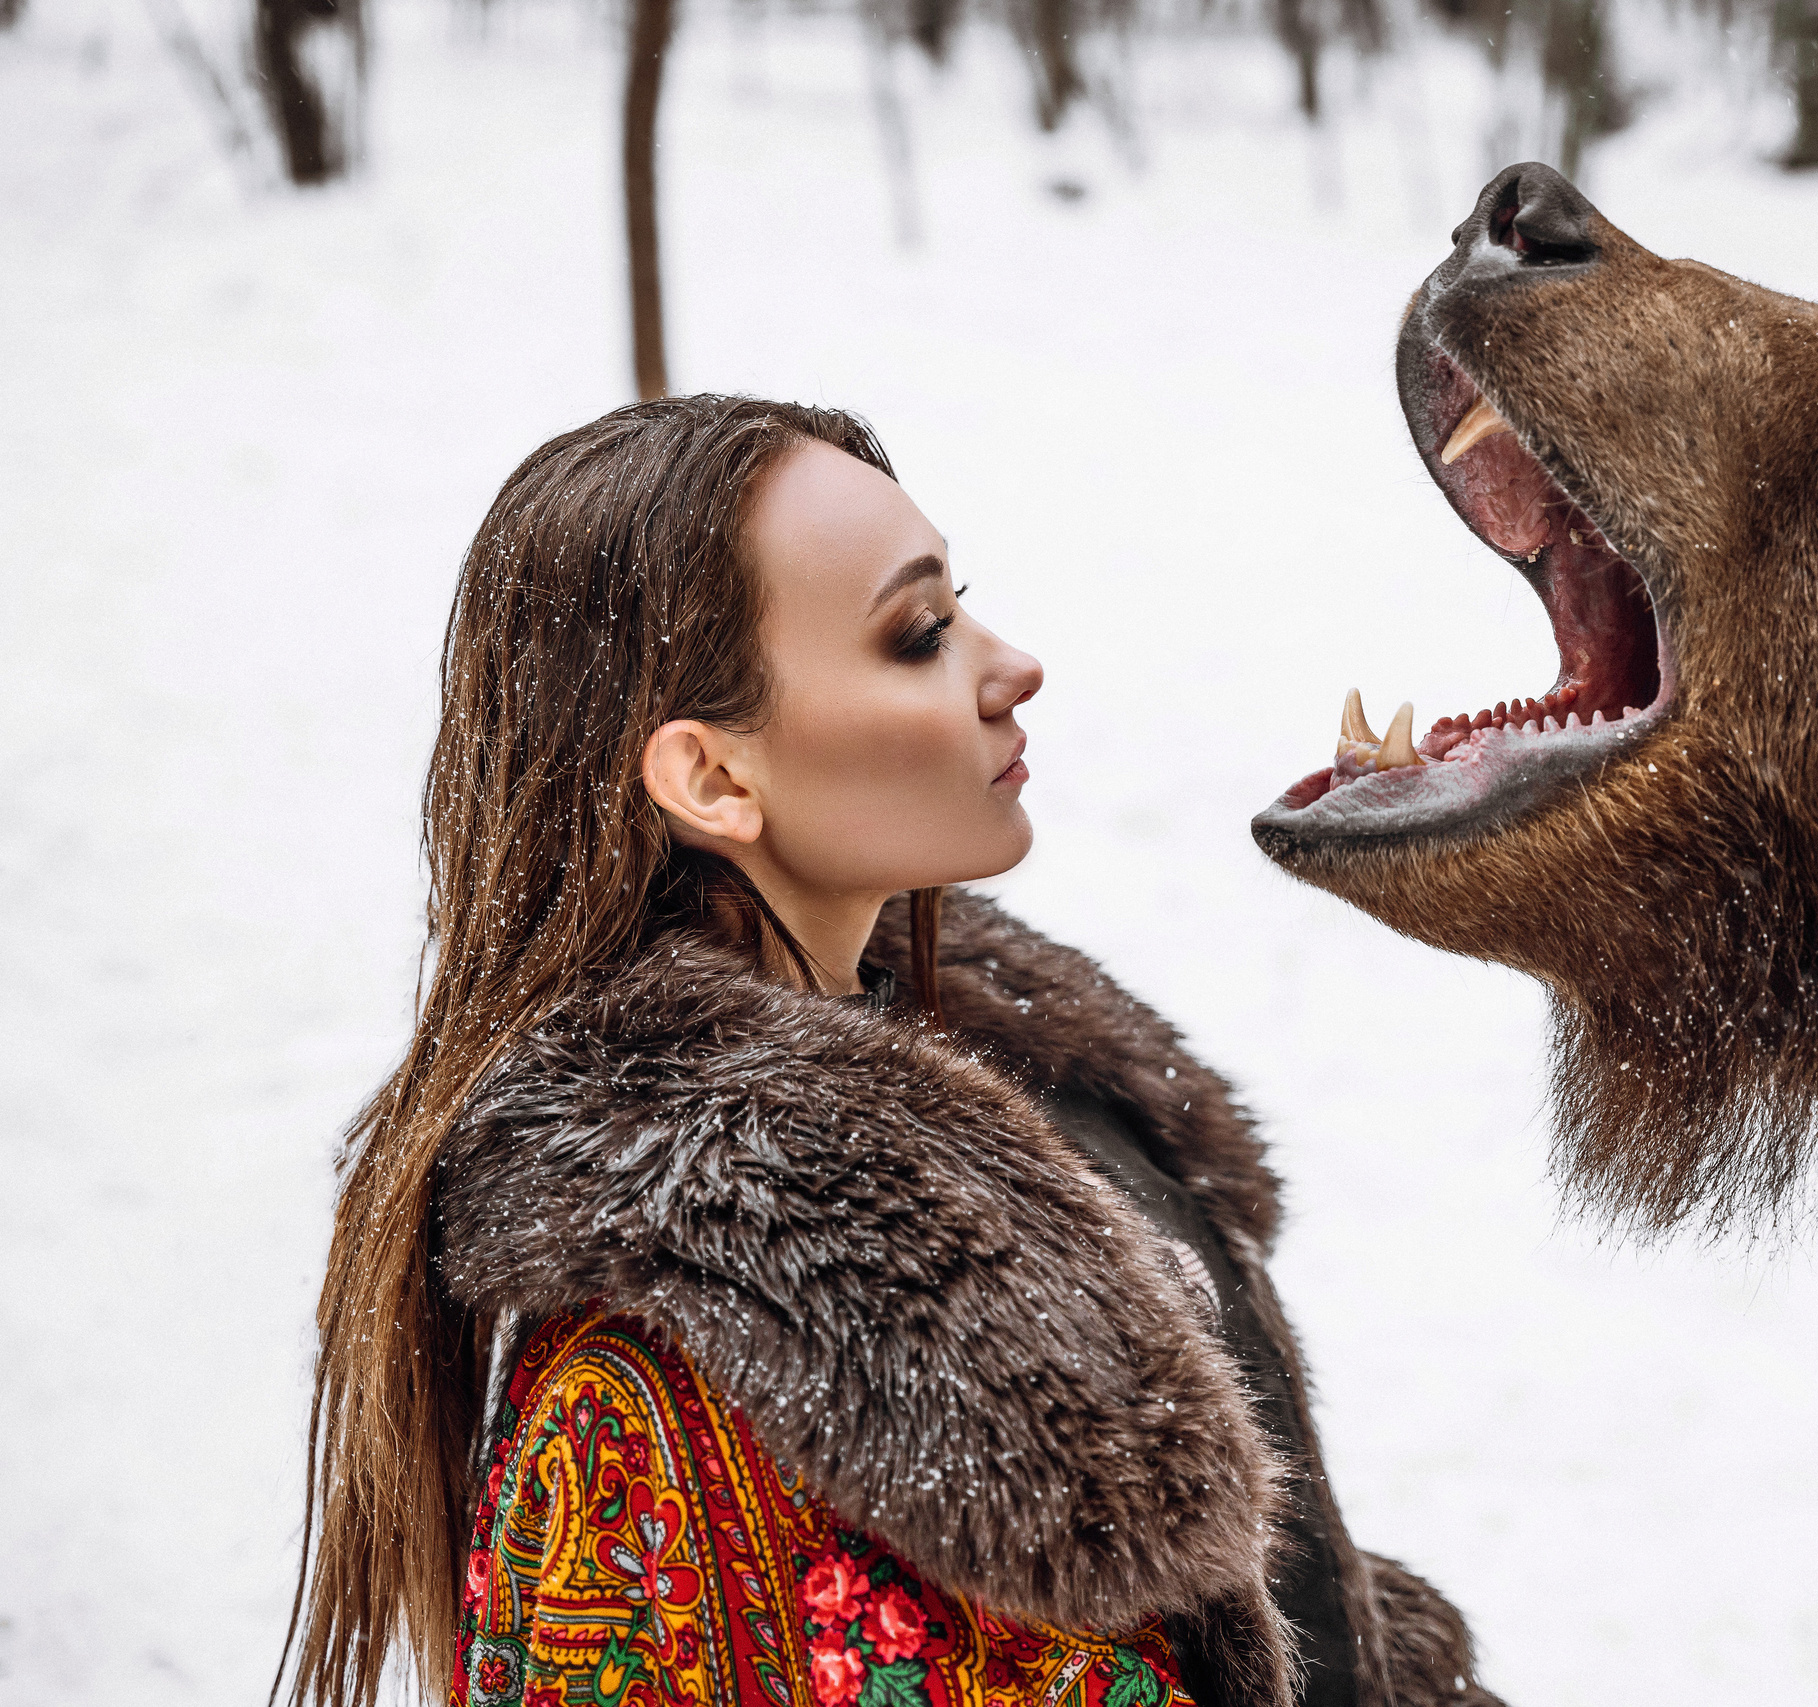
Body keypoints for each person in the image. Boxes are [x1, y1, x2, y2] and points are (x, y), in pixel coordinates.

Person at [281, 396, 1494, 1707]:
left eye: (961, 606)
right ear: (712, 781)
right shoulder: (635, 1394)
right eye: (919, 636)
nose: (1011, 663)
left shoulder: (1020, 1098)